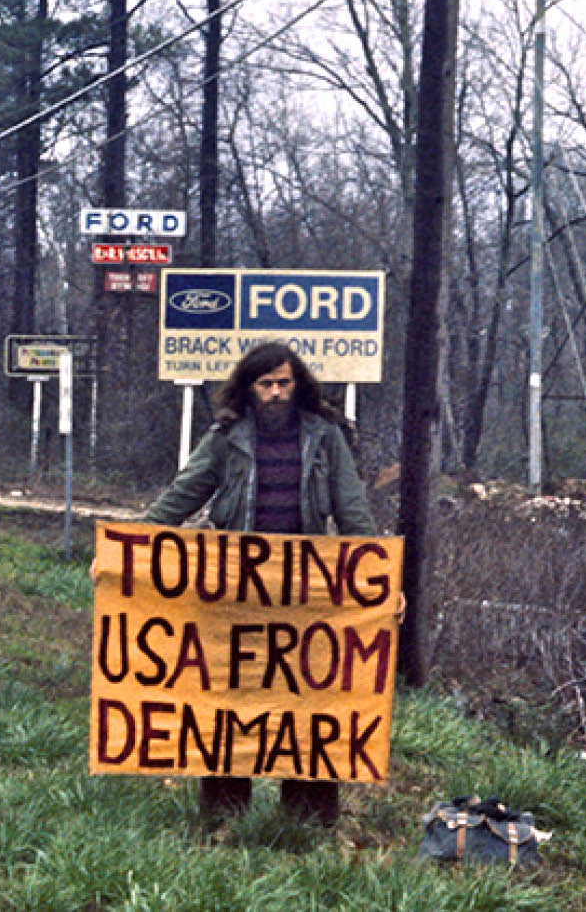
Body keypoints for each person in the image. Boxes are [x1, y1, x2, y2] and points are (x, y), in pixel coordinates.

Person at [142, 340, 378, 829]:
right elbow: (182, 495)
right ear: (248, 389)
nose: (275, 393)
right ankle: (224, 817)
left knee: (309, 707)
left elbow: (352, 511)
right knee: (229, 704)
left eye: (284, 383)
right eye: (266, 384)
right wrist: (125, 550)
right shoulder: (226, 438)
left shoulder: (325, 436)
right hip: (235, 596)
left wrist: (377, 577)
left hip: (305, 596)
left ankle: (309, 820)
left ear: (299, 385)